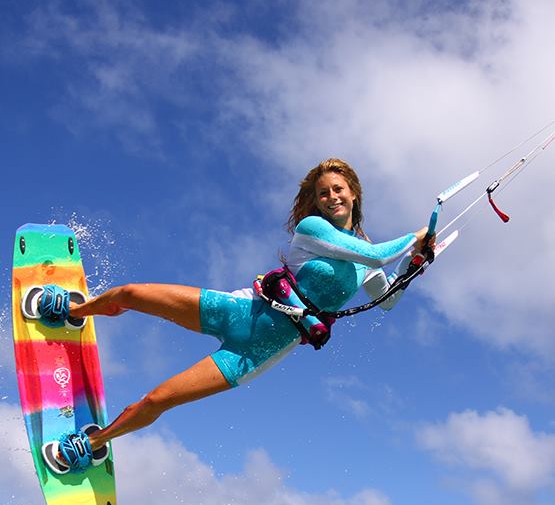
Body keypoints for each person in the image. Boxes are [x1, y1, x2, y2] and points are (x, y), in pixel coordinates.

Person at [22, 158, 434, 474]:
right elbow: (377, 252)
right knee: (131, 293)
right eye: (324, 192)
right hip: (239, 309)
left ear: (354, 194)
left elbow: (387, 298)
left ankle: (95, 444)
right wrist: (413, 237)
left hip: (253, 354)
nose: (332, 198)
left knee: (157, 399)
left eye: (338, 190)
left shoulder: (365, 258)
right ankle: (74, 310)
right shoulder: (313, 228)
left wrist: (414, 264)